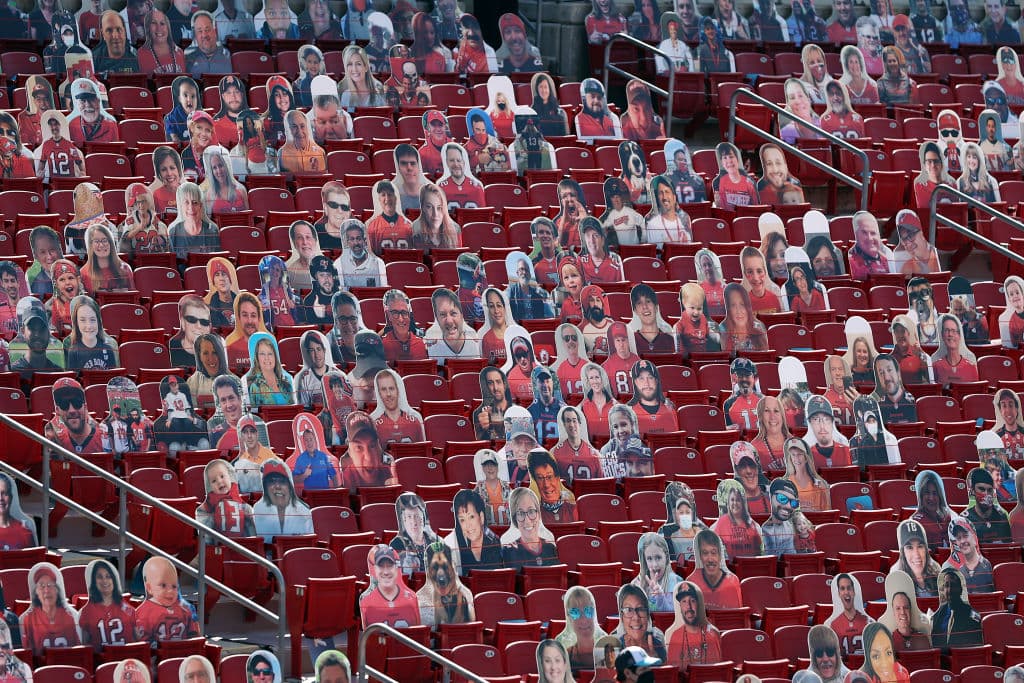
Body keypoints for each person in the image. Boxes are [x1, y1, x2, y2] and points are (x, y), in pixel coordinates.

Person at [20, 562, 82, 655]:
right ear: (36, 591)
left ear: (57, 590)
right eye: (42, 586)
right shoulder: (28, 619)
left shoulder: (70, 615)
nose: (46, 590)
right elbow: (29, 655)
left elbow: (78, 651)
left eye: (50, 585)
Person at [445, 488, 503, 574]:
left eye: (471, 517)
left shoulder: (496, 544)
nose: (468, 525)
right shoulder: (454, 544)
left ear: (481, 517)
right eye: (462, 520)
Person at [501, 486, 559, 568]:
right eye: (521, 513)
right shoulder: (509, 551)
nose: (527, 521)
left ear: (538, 514)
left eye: (531, 511)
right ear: (515, 519)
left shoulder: (550, 548)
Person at [685, 528, 741, 609]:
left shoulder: (732, 582)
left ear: (720, 555)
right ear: (699, 556)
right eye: (705, 553)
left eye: (714, 553)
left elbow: (737, 618)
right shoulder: (691, 583)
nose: (710, 559)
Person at [930, 567, 982, 651]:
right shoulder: (937, 615)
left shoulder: (972, 615)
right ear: (943, 590)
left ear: (961, 589)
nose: (949, 590)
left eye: (954, 585)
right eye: (947, 585)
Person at [613, 584, 667, 661]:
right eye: (628, 610)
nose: (636, 617)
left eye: (641, 609)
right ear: (621, 616)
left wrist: (656, 662)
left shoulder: (658, 644)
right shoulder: (613, 647)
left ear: (648, 614)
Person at [825, 573, 874, 656]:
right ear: (839, 594)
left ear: (854, 592)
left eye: (849, 588)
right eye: (842, 589)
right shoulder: (832, 625)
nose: (846, 592)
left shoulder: (869, 622)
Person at [79, 222, 133, 293]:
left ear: (111, 243)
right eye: (96, 241)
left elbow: (133, 298)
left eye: (105, 240)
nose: (101, 245)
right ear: (90, 245)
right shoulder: (83, 273)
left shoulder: (125, 269)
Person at [186, 11, 232, 76]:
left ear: (215, 31)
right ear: (195, 35)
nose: (204, 35)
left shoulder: (228, 55)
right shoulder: (187, 59)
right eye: (200, 31)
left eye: (207, 30)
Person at [94, 11, 139, 76]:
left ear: (124, 31)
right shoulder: (94, 59)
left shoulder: (138, 57)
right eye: (109, 30)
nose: (115, 36)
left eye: (118, 29)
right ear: (103, 34)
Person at [0, 472, 36, 550]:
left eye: (5, 493)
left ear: (11, 497)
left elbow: (35, 558)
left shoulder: (26, 526)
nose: (1, 498)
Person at [781, 78, 822, 144]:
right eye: (792, 98)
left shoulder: (824, 125)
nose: (798, 101)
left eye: (800, 96)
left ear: (809, 99)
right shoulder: (786, 132)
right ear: (788, 104)